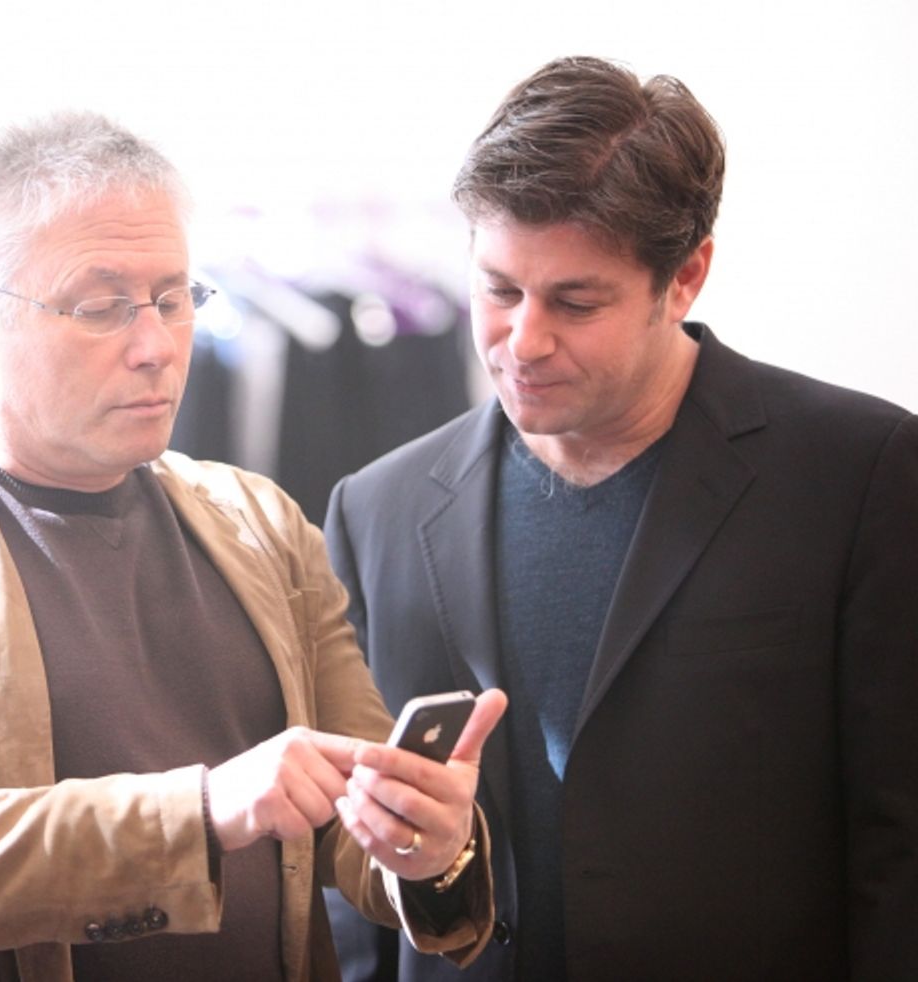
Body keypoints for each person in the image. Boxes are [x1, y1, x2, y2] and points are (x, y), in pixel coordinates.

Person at [0, 111, 508, 982]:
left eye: (172, 298)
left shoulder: (258, 523)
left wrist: (428, 845)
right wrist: (199, 812)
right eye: (101, 306)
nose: (155, 346)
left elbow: (352, 820)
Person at [323, 56, 918, 981]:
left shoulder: (860, 473)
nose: (522, 342)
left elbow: (901, 839)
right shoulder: (377, 508)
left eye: (575, 301)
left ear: (685, 279)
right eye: (499, 290)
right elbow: (354, 860)